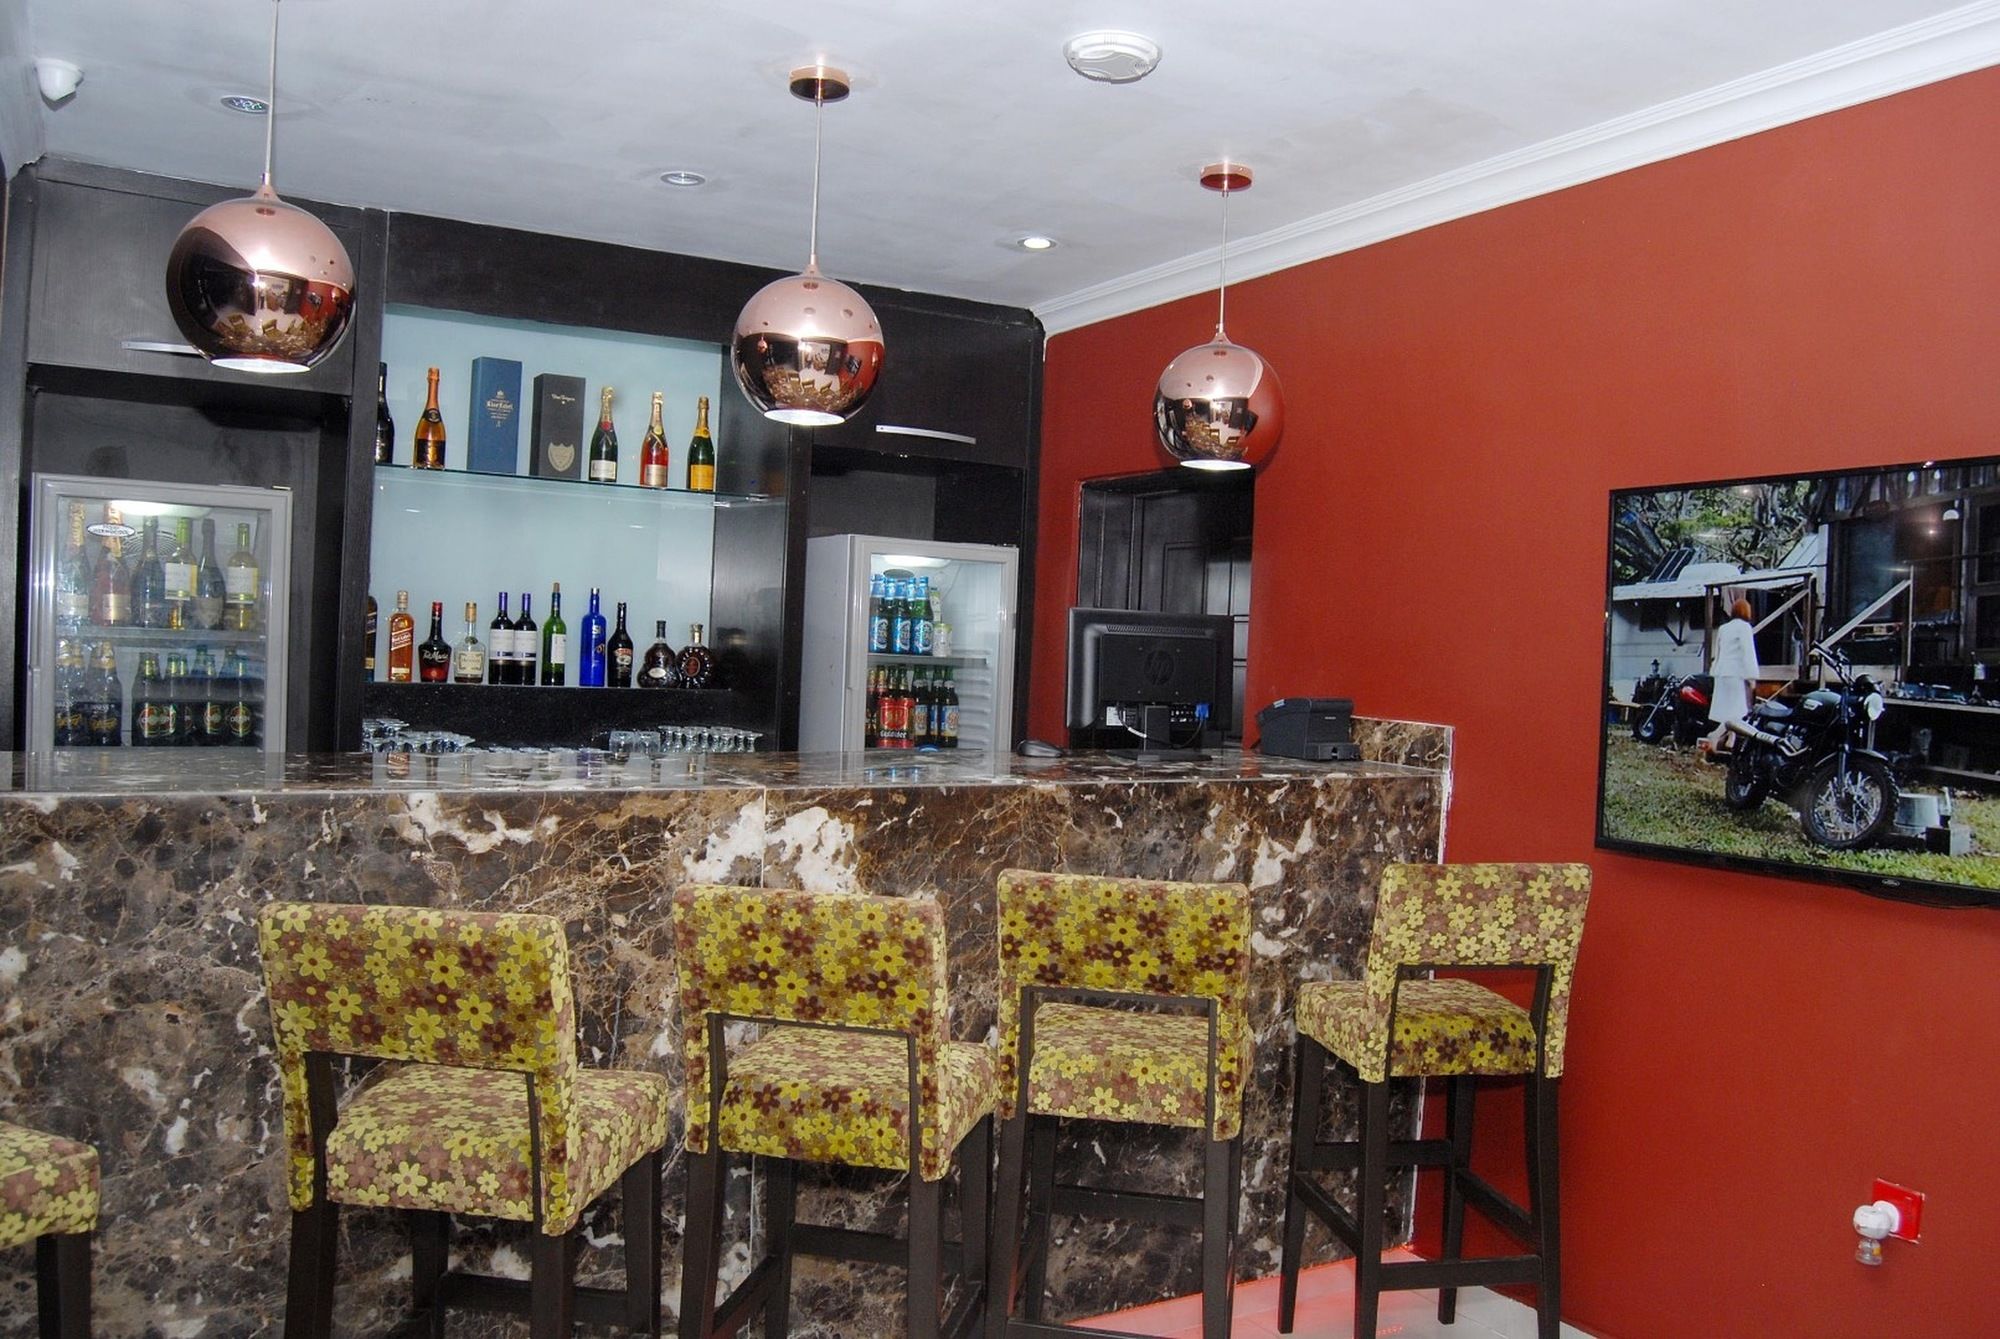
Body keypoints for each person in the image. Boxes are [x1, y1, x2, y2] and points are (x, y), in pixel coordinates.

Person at [1703, 597, 1759, 757]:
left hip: (1722, 672)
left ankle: (1731, 741)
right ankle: (1715, 734)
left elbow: (1718, 652)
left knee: (1728, 709)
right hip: (1735, 673)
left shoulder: (1723, 628)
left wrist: (1715, 669)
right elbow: (1748, 653)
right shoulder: (1745, 628)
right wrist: (1752, 676)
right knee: (1738, 711)